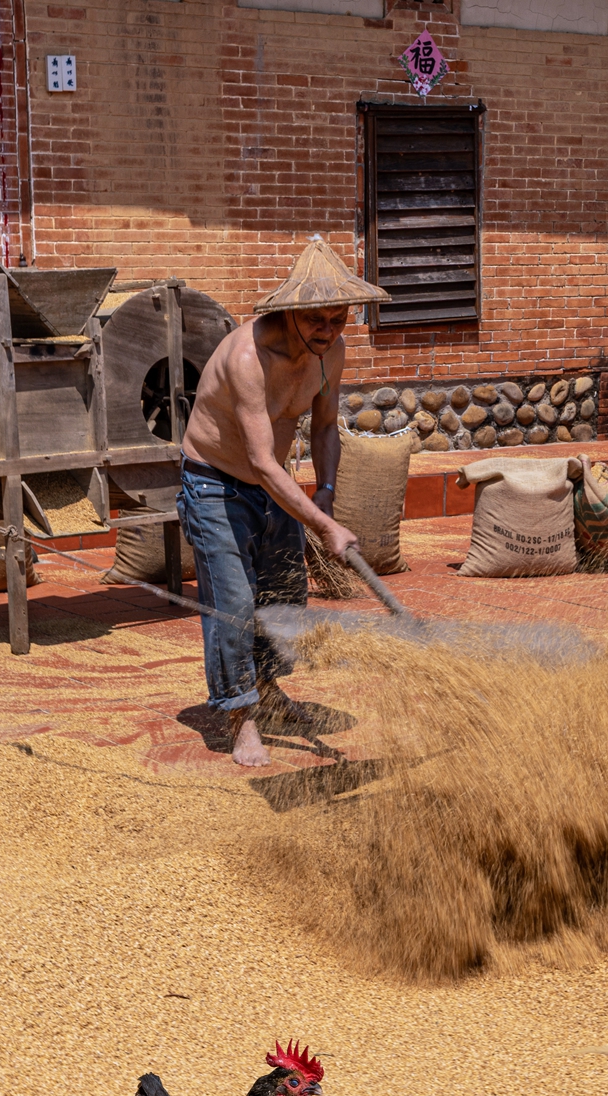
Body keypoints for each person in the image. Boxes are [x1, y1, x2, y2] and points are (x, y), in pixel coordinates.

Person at [177, 236, 382, 767]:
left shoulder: (330, 352)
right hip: (216, 482)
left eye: (339, 320)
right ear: (292, 312)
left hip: (275, 486)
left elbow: (325, 425)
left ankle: (267, 689)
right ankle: (240, 715)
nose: (330, 330)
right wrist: (319, 524)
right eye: (318, 319)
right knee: (235, 602)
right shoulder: (248, 356)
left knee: (284, 595)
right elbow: (263, 461)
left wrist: (327, 495)